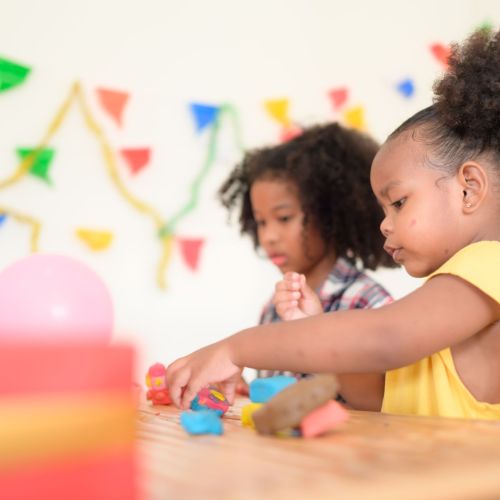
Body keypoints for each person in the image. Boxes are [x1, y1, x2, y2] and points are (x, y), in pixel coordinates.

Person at [167, 28, 500, 420]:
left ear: (469, 188)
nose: (384, 226)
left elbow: (384, 338)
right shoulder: (457, 299)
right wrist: (316, 330)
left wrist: (235, 348)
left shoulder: (490, 265)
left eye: (397, 202)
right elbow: (375, 393)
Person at [218, 123, 395, 406]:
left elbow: (380, 403)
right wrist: (246, 390)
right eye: (261, 222)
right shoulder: (271, 310)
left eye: (284, 218)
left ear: (328, 216)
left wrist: (318, 334)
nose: (269, 236)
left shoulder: (366, 302)